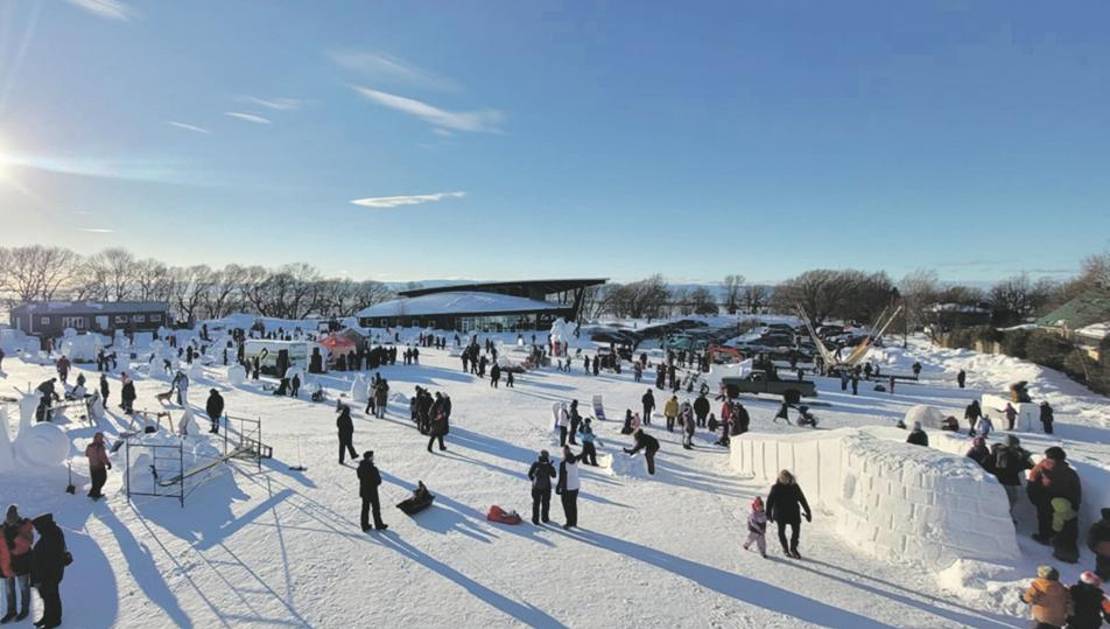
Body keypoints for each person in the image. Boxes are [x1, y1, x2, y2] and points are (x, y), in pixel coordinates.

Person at [1029, 447, 1082, 546]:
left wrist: (1034, 498)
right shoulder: (1069, 472)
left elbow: (1032, 482)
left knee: (1044, 518)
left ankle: (1044, 537)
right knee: (1062, 521)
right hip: (1064, 501)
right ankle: (1060, 539)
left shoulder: (1041, 468)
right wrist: (1075, 504)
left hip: (1044, 500)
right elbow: (1076, 489)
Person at [30, 514, 66, 629]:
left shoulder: (51, 535)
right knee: (49, 597)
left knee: (51, 597)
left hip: (49, 574)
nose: (37, 530)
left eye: (37, 528)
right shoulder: (50, 532)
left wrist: (39, 577)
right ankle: (48, 617)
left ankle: (53, 620)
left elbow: (48, 560)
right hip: (50, 573)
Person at [766, 469, 811, 559]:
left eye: (786, 478)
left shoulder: (795, 487)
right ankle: (785, 549)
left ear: (789, 478)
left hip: (793, 512)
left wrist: (808, 512)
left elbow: (802, 499)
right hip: (780, 513)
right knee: (781, 532)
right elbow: (769, 501)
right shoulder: (776, 488)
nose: (785, 480)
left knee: (796, 532)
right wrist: (768, 514)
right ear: (780, 478)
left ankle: (793, 548)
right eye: (782, 479)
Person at [1, 506, 33, 623]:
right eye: (8, 519)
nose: (10, 521)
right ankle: (11, 611)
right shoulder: (2, 528)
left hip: (22, 564)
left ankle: (25, 610)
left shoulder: (23, 527)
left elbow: (28, 543)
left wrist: (15, 537)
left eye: (12, 519)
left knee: (24, 587)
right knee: (9, 590)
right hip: (7, 564)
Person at [991, 435, 1033, 513]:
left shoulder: (1011, 451)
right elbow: (1009, 468)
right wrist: (1023, 463)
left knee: (1013, 498)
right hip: (1005, 479)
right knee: (1010, 498)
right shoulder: (1004, 454)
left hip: (1010, 479)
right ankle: (1006, 515)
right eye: (1016, 445)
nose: (1017, 446)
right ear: (1010, 445)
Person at [1022, 565, 1068, 629]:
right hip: (1057, 621)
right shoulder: (1062, 588)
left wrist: (1024, 598)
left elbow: (1029, 597)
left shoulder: (1038, 584)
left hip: (1042, 619)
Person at [357, 451, 387, 531]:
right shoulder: (373, 469)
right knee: (376, 508)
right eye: (372, 456)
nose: (373, 458)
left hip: (363, 490)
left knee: (365, 508)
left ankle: (364, 525)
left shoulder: (360, 468)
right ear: (369, 458)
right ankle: (378, 524)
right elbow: (378, 481)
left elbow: (359, 477)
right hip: (372, 491)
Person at [528, 450, 556, 525]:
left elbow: (529, 474)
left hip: (536, 487)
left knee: (536, 504)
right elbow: (554, 475)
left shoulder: (536, 464)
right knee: (545, 503)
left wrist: (534, 480)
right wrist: (550, 468)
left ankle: (535, 520)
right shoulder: (548, 465)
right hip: (546, 487)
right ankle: (545, 518)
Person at [556, 447, 581, 530]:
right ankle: (574, 522)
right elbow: (583, 454)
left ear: (564, 453)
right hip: (576, 485)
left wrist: (558, 487)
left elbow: (561, 477)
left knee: (566, 505)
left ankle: (569, 522)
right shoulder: (576, 459)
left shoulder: (563, 463)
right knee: (573, 504)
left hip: (567, 487)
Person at [84, 432, 111, 500]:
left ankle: (92, 492)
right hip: (99, 466)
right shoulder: (100, 446)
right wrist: (108, 463)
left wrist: (93, 457)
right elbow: (103, 457)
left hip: (92, 466)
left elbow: (87, 454)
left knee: (95, 481)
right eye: (101, 437)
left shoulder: (90, 445)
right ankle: (96, 494)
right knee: (102, 479)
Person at [1088, 508, 1110, 580]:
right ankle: (1102, 576)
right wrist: (1098, 547)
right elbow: (1091, 540)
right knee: (1103, 565)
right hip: (1103, 552)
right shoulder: (1098, 527)